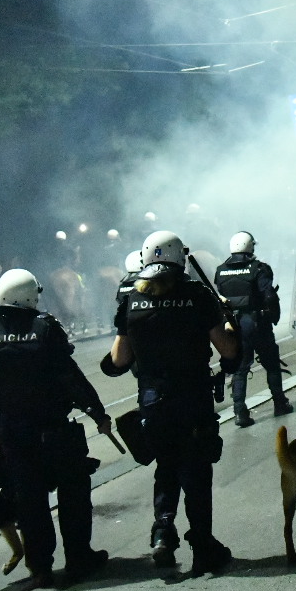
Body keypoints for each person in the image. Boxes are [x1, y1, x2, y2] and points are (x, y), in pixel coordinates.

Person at [105, 232, 239, 572]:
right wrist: (229, 322)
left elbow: (118, 360)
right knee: (197, 472)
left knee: (166, 466)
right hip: (192, 398)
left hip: (153, 400)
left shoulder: (132, 299)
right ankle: (203, 546)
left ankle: (163, 532)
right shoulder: (197, 295)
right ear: (180, 258)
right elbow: (227, 350)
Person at [0, 268, 111, 584]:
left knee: (29, 503)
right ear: (30, 296)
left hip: (11, 437)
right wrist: (97, 412)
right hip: (53, 433)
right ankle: (79, 558)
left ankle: (40, 566)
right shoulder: (45, 329)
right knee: (74, 494)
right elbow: (70, 377)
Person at [214, 231, 291, 426]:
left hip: (234, 325)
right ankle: (279, 403)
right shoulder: (259, 268)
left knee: (240, 369)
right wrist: (273, 317)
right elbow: (269, 296)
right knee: (271, 364)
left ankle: (240, 412)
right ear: (249, 247)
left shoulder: (221, 270)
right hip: (257, 324)